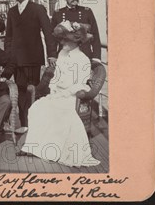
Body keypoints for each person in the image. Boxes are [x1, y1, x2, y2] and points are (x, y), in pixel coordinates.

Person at [17, 20, 100, 167]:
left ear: (76, 41)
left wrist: (65, 93)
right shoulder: (62, 54)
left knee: (59, 113)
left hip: (71, 97)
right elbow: (56, 77)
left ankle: (54, 150)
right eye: (61, 39)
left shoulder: (83, 60)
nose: (62, 43)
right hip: (58, 94)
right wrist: (54, 89)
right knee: (37, 108)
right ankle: (38, 147)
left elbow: (80, 83)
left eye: (65, 40)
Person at [5, 0, 57, 134]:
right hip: (16, 60)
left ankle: (32, 121)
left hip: (33, 58)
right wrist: (8, 57)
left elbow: (48, 33)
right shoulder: (12, 12)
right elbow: (8, 37)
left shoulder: (37, 9)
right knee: (20, 90)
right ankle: (24, 122)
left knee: (32, 90)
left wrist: (52, 54)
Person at [51, 0, 102, 65]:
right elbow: (52, 38)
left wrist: (96, 57)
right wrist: (52, 55)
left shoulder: (87, 12)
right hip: (64, 56)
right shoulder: (58, 14)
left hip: (85, 55)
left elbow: (95, 35)